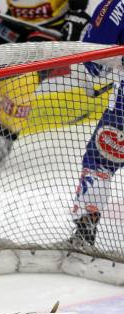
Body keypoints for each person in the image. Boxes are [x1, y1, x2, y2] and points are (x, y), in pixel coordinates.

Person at [0, 0, 91, 167]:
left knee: (23, 81)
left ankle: (5, 136)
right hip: (14, 21)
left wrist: (77, 14)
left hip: (52, 27)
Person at [70, 0, 124, 247]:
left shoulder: (115, 5)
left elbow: (93, 65)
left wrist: (80, 36)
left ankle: (84, 233)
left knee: (99, 161)